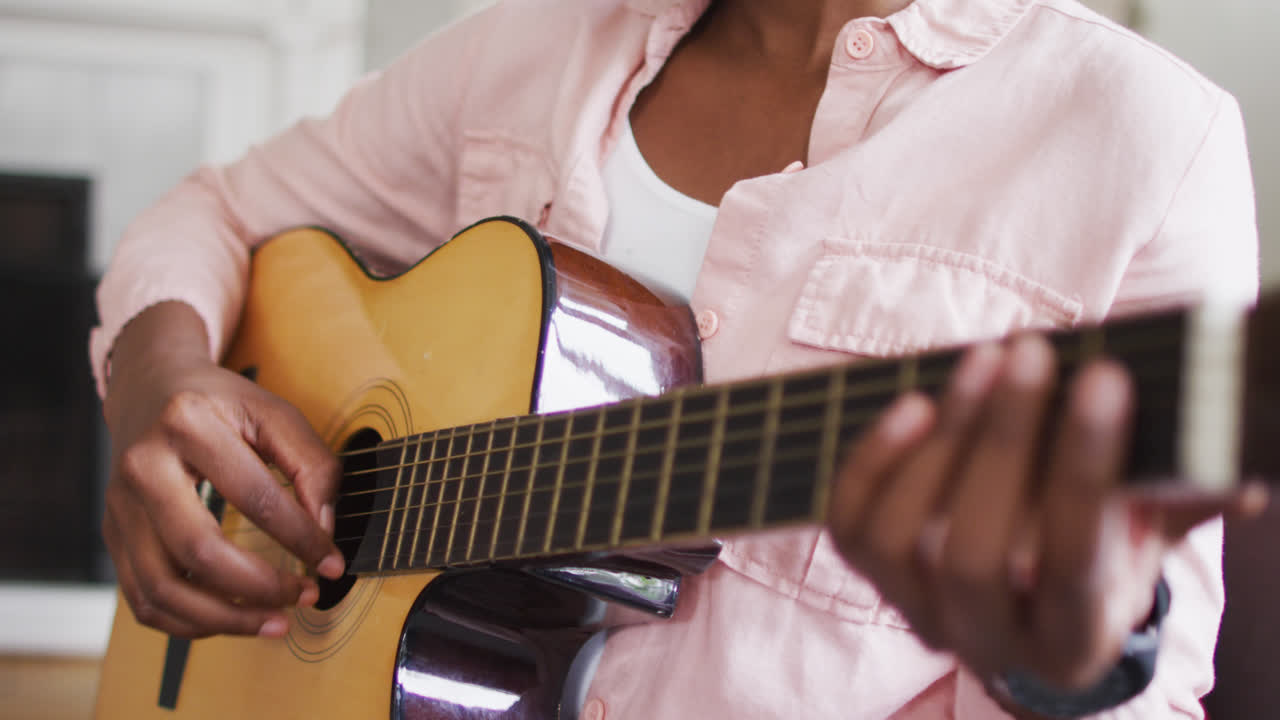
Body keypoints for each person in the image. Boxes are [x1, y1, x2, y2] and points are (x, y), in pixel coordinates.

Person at [92, 0, 1267, 717]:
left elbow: (1154, 694)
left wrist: (1064, 674)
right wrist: (160, 388)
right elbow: (217, 210)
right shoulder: (535, 46)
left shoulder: (1144, 137)